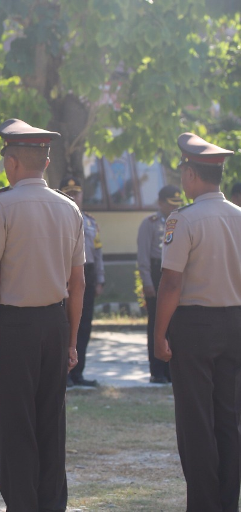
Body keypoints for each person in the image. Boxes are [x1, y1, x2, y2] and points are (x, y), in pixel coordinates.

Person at [0, 118, 85, 511]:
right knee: (51, 424)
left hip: (13, 327)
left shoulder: (1, 205)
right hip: (54, 324)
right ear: (47, 160)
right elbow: (79, 281)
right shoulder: (69, 208)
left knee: (15, 426)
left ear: (12, 162)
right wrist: (72, 340)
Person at [154, 132, 241, 512]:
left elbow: (171, 282)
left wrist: (158, 334)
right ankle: (227, 502)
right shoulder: (239, 217)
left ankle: (204, 505)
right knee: (228, 419)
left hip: (194, 327)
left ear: (190, 174)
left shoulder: (183, 219)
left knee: (195, 422)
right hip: (235, 324)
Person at [60, 175, 104, 387]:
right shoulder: (57, 219)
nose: (73, 197)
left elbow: (98, 252)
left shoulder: (90, 221)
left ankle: (78, 372)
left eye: (76, 193)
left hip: (88, 273)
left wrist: (100, 279)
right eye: (69, 193)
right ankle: (63, 373)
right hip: (64, 275)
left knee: (84, 326)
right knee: (65, 324)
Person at [136, 184, 182, 384]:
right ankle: (157, 371)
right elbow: (143, 256)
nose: (173, 208)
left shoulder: (181, 221)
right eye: (170, 204)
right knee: (156, 323)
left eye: (176, 204)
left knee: (174, 324)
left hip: (174, 275)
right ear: (160, 203)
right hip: (156, 274)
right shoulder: (150, 223)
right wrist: (147, 282)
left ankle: (172, 369)